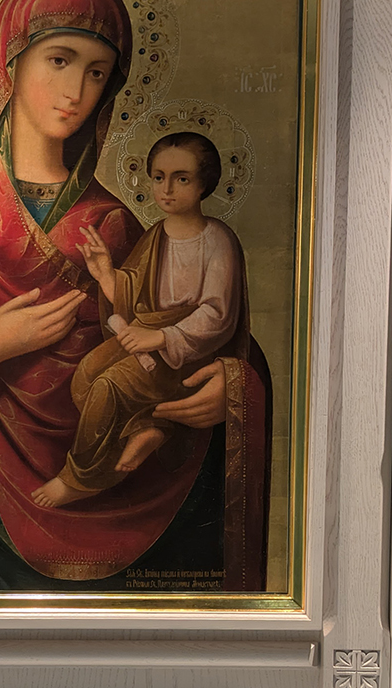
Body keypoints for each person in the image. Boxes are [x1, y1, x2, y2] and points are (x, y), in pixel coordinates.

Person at [0, 0, 271, 593]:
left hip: (126, 499)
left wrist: (229, 390)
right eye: (59, 60)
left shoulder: (116, 225)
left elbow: (179, 332)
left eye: (98, 72)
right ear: (8, 64)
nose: (76, 90)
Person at [33, 132, 247, 507]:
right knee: (86, 376)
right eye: (158, 177)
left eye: (181, 178)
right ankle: (151, 426)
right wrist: (106, 275)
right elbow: (134, 298)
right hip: (148, 343)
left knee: (109, 386)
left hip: (188, 357)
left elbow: (217, 315)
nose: (167, 189)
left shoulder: (217, 240)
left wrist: (162, 338)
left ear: (204, 184)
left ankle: (80, 478)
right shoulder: (154, 236)